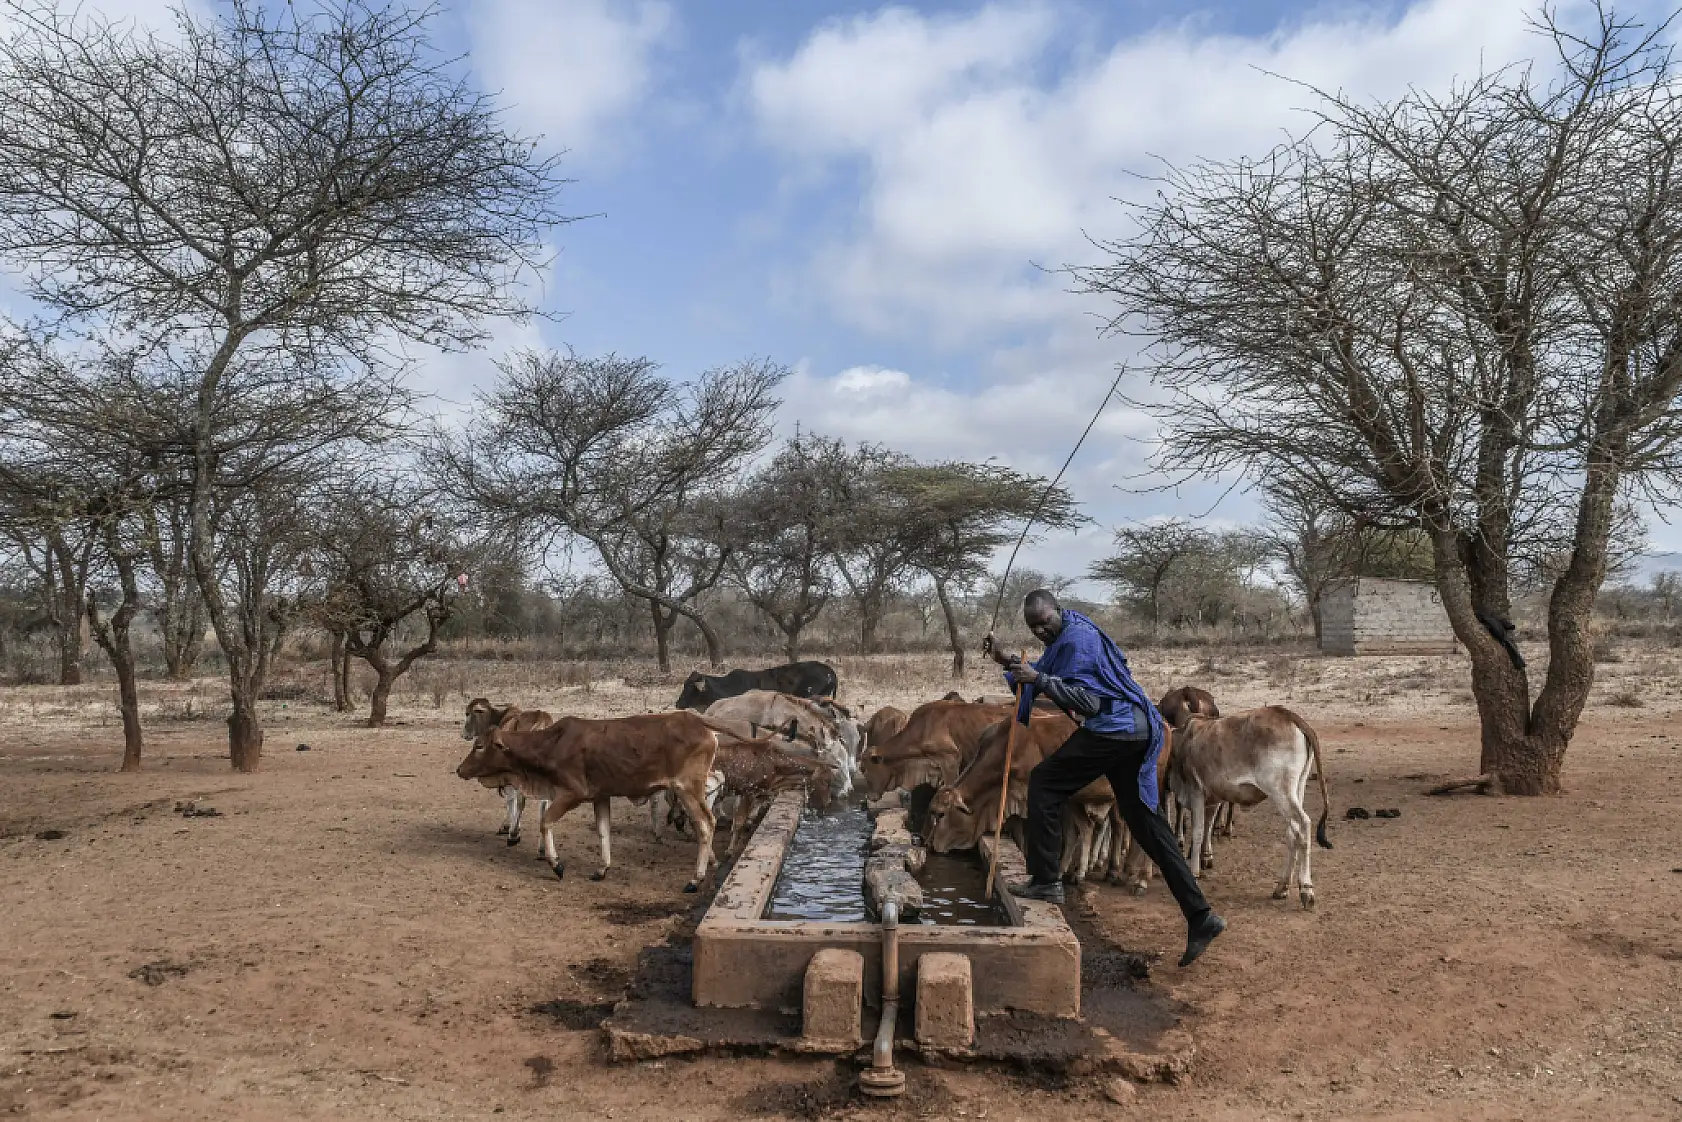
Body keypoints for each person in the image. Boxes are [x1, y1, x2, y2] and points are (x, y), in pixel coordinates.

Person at [984, 588, 1226, 968]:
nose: (1040, 631)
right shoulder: (1069, 633)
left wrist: (1038, 679)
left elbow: (1088, 701)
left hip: (1116, 728)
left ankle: (1046, 880)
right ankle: (1202, 917)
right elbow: (1047, 671)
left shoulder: (1077, 640)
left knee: (1044, 782)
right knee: (1147, 825)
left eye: (1044, 622)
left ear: (1057, 611)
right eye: (1033, 627)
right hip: (1134, 729)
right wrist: (1006, 659)